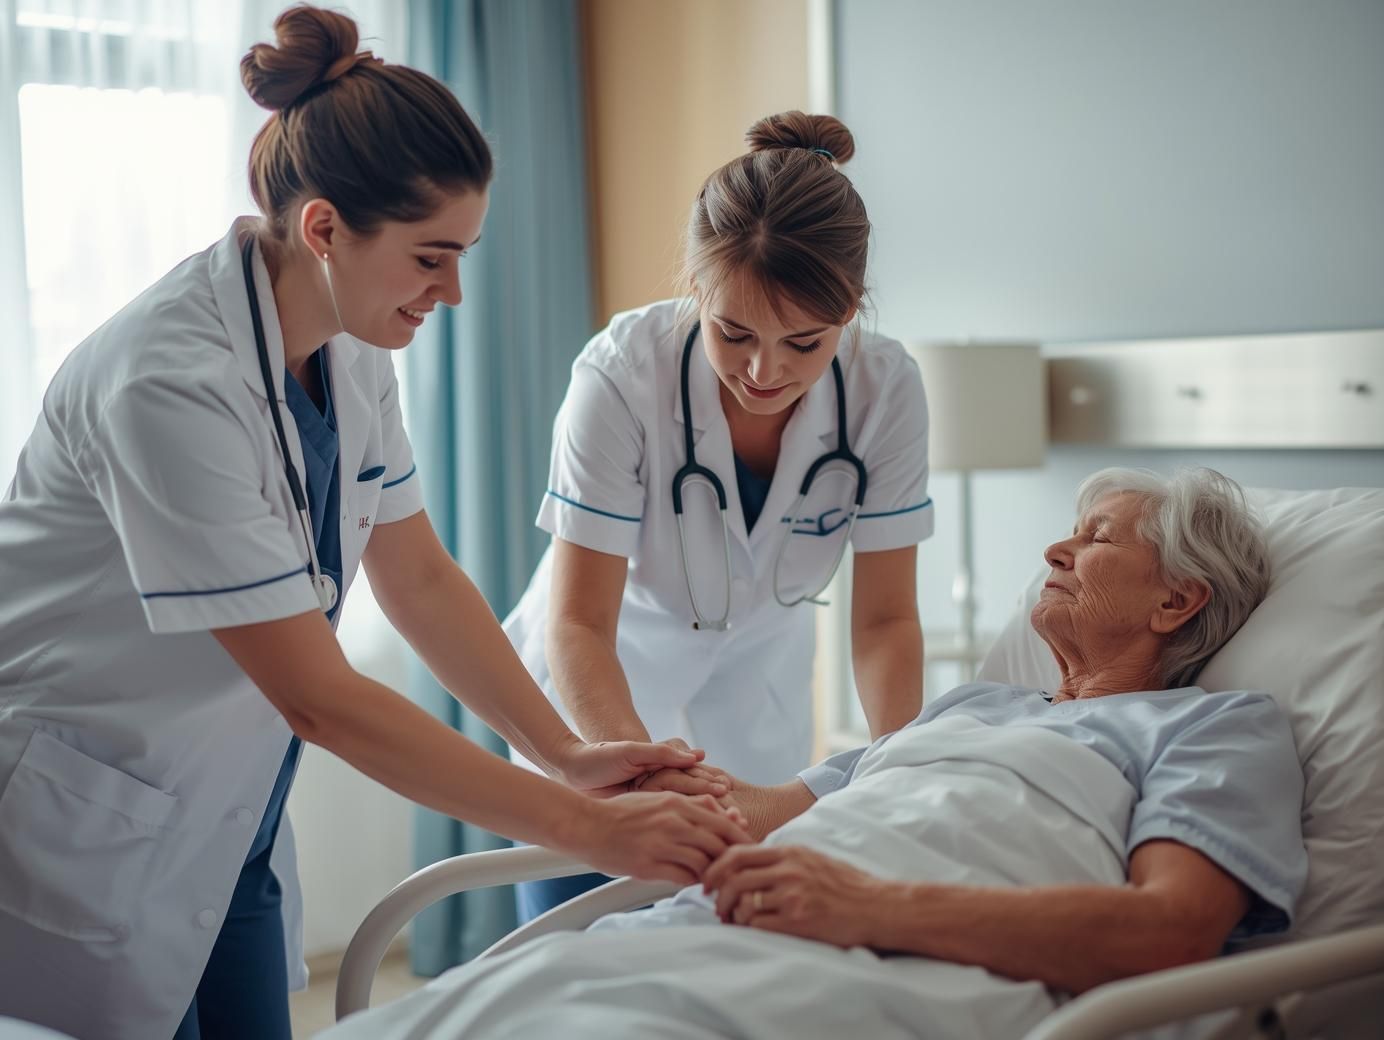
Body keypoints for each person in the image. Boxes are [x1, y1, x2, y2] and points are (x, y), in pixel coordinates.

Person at [0, 7, 748, 1040]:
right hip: (90, 812)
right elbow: (320, 697)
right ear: (323, 229)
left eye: (464, 255)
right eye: (431, 257)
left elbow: (418, 575)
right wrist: (588, 827)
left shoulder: (351, 345)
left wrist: (565, 750)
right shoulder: (166, 382)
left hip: (230, 819)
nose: (450, 291)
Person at [322, 467, 1308, 1040]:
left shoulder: (1213, 728)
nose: (1053, 549)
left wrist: (862, 905)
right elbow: (764, 811)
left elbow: (1171, 931)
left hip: (881, 960)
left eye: (1093, 539)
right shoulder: (971, 705)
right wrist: (645, 775)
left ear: (1176, 600)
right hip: (709, 929)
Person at [504, 111, 935, 920]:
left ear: (851, 312)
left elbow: (883, 622)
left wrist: (894, 772)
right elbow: (579, 624)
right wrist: (637, 771)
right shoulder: (622, 374)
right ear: (696, 289)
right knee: (571, 947)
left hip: (755, 694)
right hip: (601, 682)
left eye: (805, 344)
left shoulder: (886, 389)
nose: (764, 372)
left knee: (719, 945)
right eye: (733, 333)